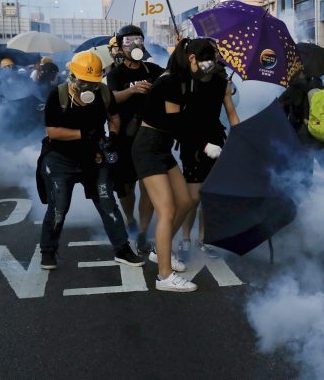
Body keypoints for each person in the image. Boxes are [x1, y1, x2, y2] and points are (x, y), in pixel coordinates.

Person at [132, 39, 226, 292]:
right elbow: (177, 125)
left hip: (161, 148)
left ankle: (158, 250)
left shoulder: (185, 79)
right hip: (149, 148)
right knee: (167, 210)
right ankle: (164, 276)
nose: (209, 68)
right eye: (206, 62)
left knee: (185, 202)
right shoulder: (172, 81)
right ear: (193, 59)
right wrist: (205, 146)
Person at [35, 50, 144, 270]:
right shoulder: (58, 96)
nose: (89, 89)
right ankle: (48, 250)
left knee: (107, 203)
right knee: (59, 206)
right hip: (60, 159)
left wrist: (112, 137)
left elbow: (114, 118)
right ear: (72, 77)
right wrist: (83, 134)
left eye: (93, 83)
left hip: (93, 157)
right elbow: (53, 131)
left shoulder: (103, 93)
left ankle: (122, 248)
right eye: (84, 82)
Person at [177, 40, 240, 257]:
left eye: (212, 57)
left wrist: (239, 134)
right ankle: (185, 237)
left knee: (209, 194)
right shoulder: (185, 81)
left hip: (215, 138)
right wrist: (202, 145)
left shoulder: (222, 82)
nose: (209, 62)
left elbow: (231, 112)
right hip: (192, 141)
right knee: (193, 196)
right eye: (205, 57)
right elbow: (180, 120)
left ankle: (203, 238)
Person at [106, 25, 165, 253]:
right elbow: (110, 99)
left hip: (150, 138)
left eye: (138, 40)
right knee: (127, 187)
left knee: (148, 186)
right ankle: (129, 218)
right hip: (124, 139)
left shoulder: (152, 69)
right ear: (121, 46)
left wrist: (181, 48)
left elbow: (172, 76)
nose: (134, 45)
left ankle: (142, 230)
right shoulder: (115, 73)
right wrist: (132, 91)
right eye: (129, 42)